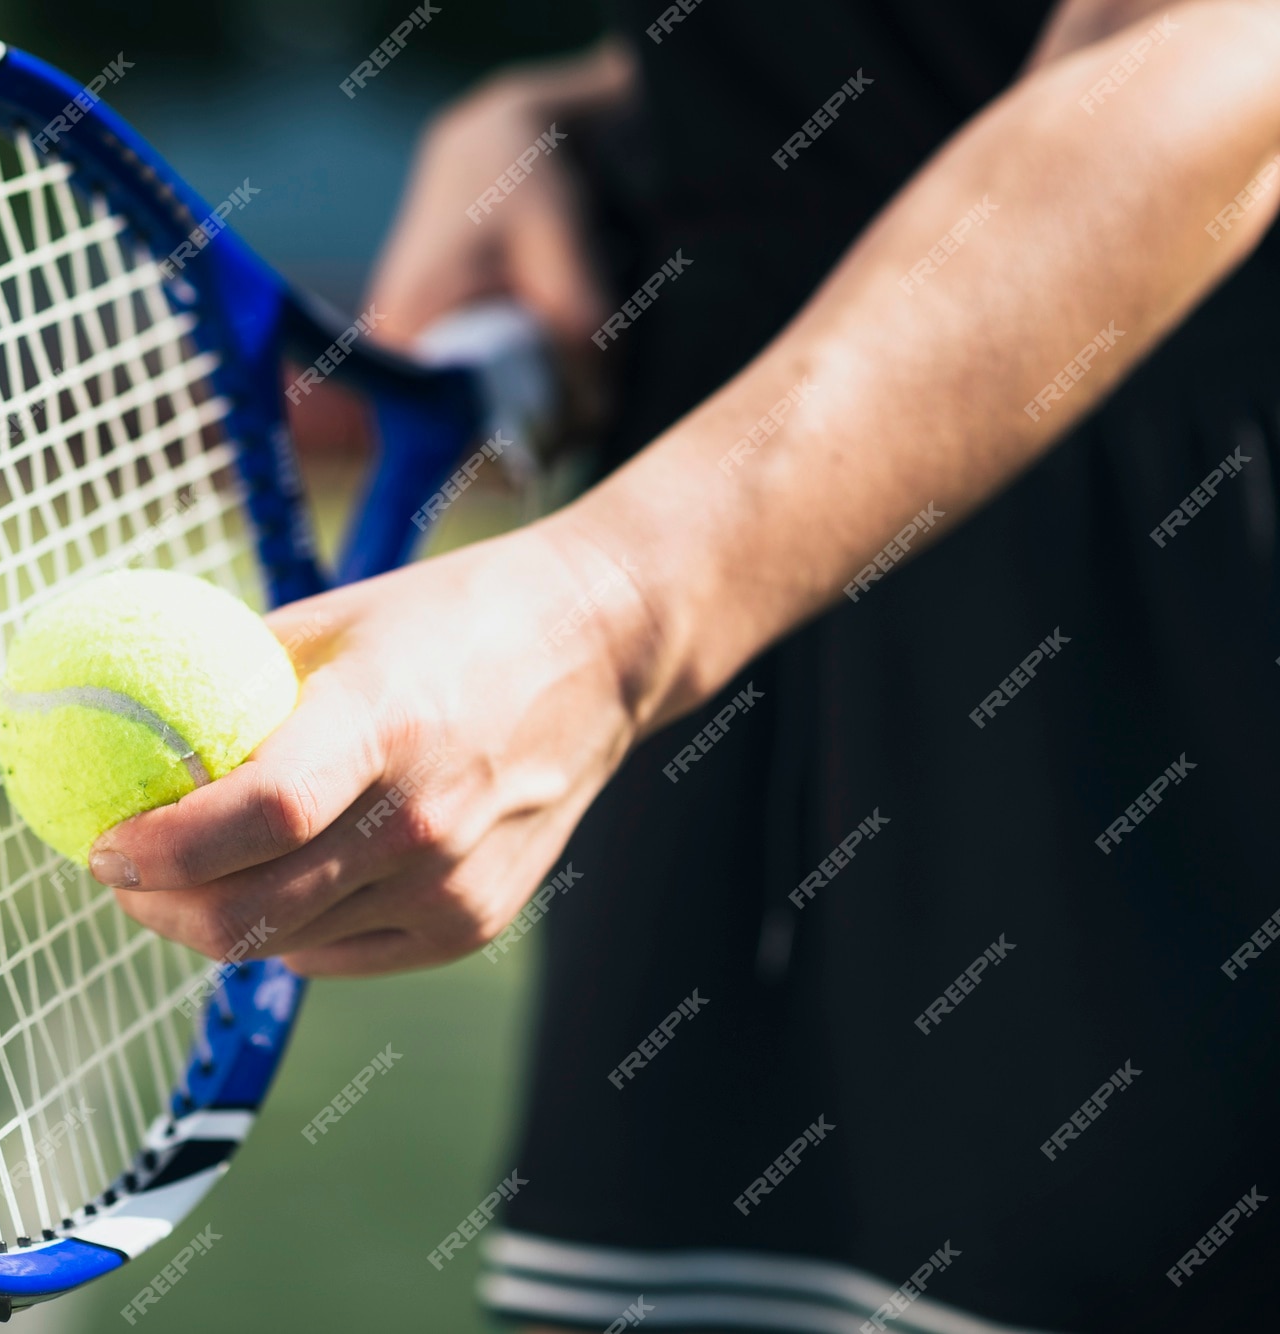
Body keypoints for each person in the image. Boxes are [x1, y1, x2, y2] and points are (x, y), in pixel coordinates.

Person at [99, 0, 1280, 1328]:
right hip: (730, 669)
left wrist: (613, 610)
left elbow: (1216, 53)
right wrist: (584, 113)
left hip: (1127, 657)